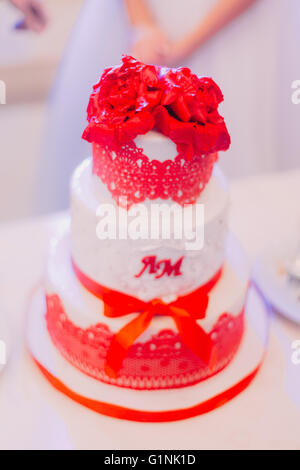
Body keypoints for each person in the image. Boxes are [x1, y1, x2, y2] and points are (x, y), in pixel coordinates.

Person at [36, 0, 291, 213]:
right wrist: (143, 27)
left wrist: (185, 46)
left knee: (227, 193)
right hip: (136, 18)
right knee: (105, 190)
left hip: (232, 32)